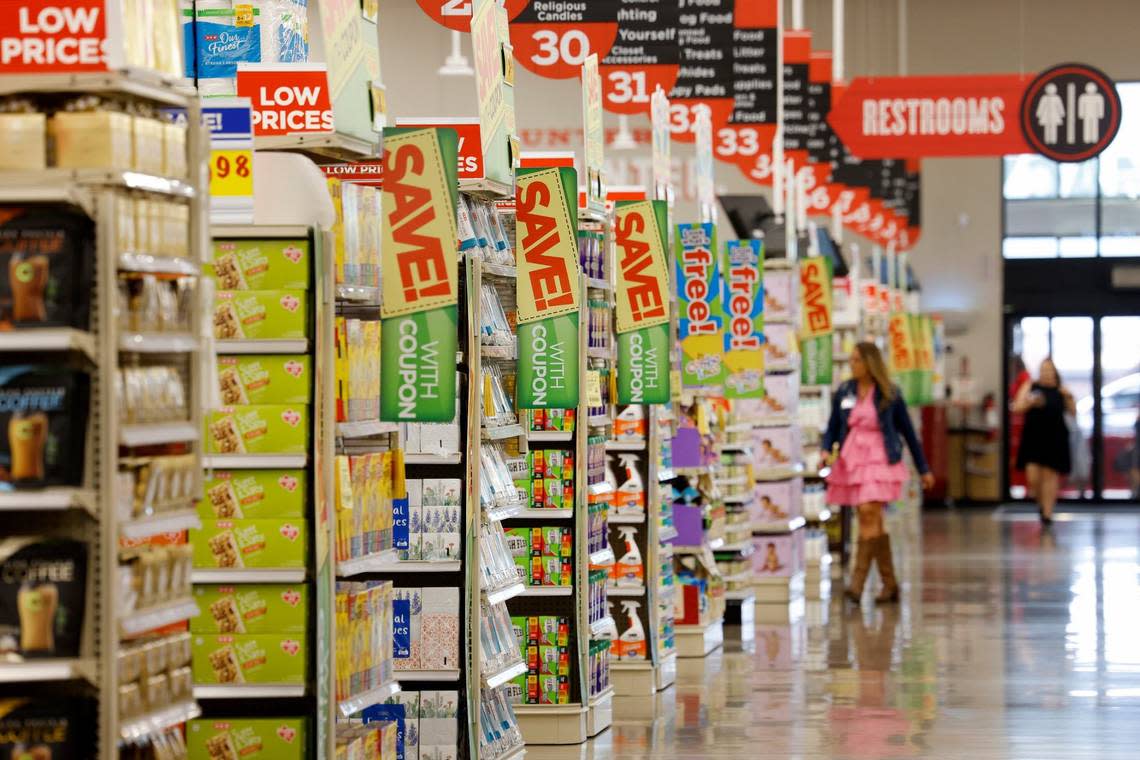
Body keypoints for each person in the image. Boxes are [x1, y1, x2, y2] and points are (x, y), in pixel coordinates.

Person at [821, 341, 934, 604]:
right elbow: (833, 425)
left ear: (870, 362)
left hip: (881, 458)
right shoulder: (845, 391)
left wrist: (923, 468)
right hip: (852, 457)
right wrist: (826, 450)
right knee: (873, 520)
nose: (852, 364)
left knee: (868, 512)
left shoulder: (889, 393)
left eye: (856, 360)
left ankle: (857, 584)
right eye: (850, 360)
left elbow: (908, 433)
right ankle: (890, 584)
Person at [1012, 358, 1074, 525]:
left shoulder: (1061, 391)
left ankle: (1048, 513)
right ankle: (1040, 503)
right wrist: (1030, 403)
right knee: (1033, 477)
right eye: (1043, 369)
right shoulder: (1031, 386)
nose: (1046, 372)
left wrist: (1069, 397)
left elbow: (1073, 413)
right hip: (1034, 437)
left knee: (1050, 476)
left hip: (1055, 438)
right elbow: (1017, 407)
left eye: (1049, 369)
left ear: (1055, 372)